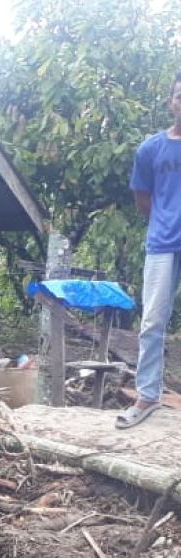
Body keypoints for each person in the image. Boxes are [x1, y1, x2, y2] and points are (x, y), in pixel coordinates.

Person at [118, 72, 181, 428]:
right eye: (179, 96)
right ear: (171, 101)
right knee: (153, 321)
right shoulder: (150, 149)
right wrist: (167, 221)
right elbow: (143, 200)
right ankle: (147, 397)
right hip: (162, 244)